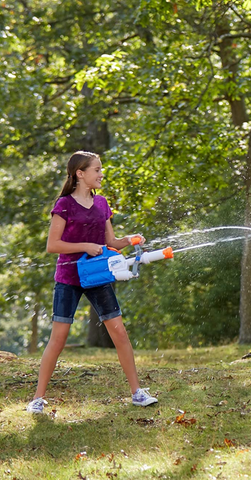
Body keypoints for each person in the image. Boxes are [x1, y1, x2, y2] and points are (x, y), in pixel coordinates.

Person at [27, 151, 158, 413]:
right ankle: (38, 399)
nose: (101, 174)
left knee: (119, 332)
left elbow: (111, 242)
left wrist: (129, 240)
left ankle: (137, 392)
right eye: (96, 170)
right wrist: (85, 245)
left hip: (98, 276)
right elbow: (52, 245)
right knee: (59, 338)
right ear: (80, 173)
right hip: (69, 278)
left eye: (100, 170)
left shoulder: (102, 204)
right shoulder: (63, 205)